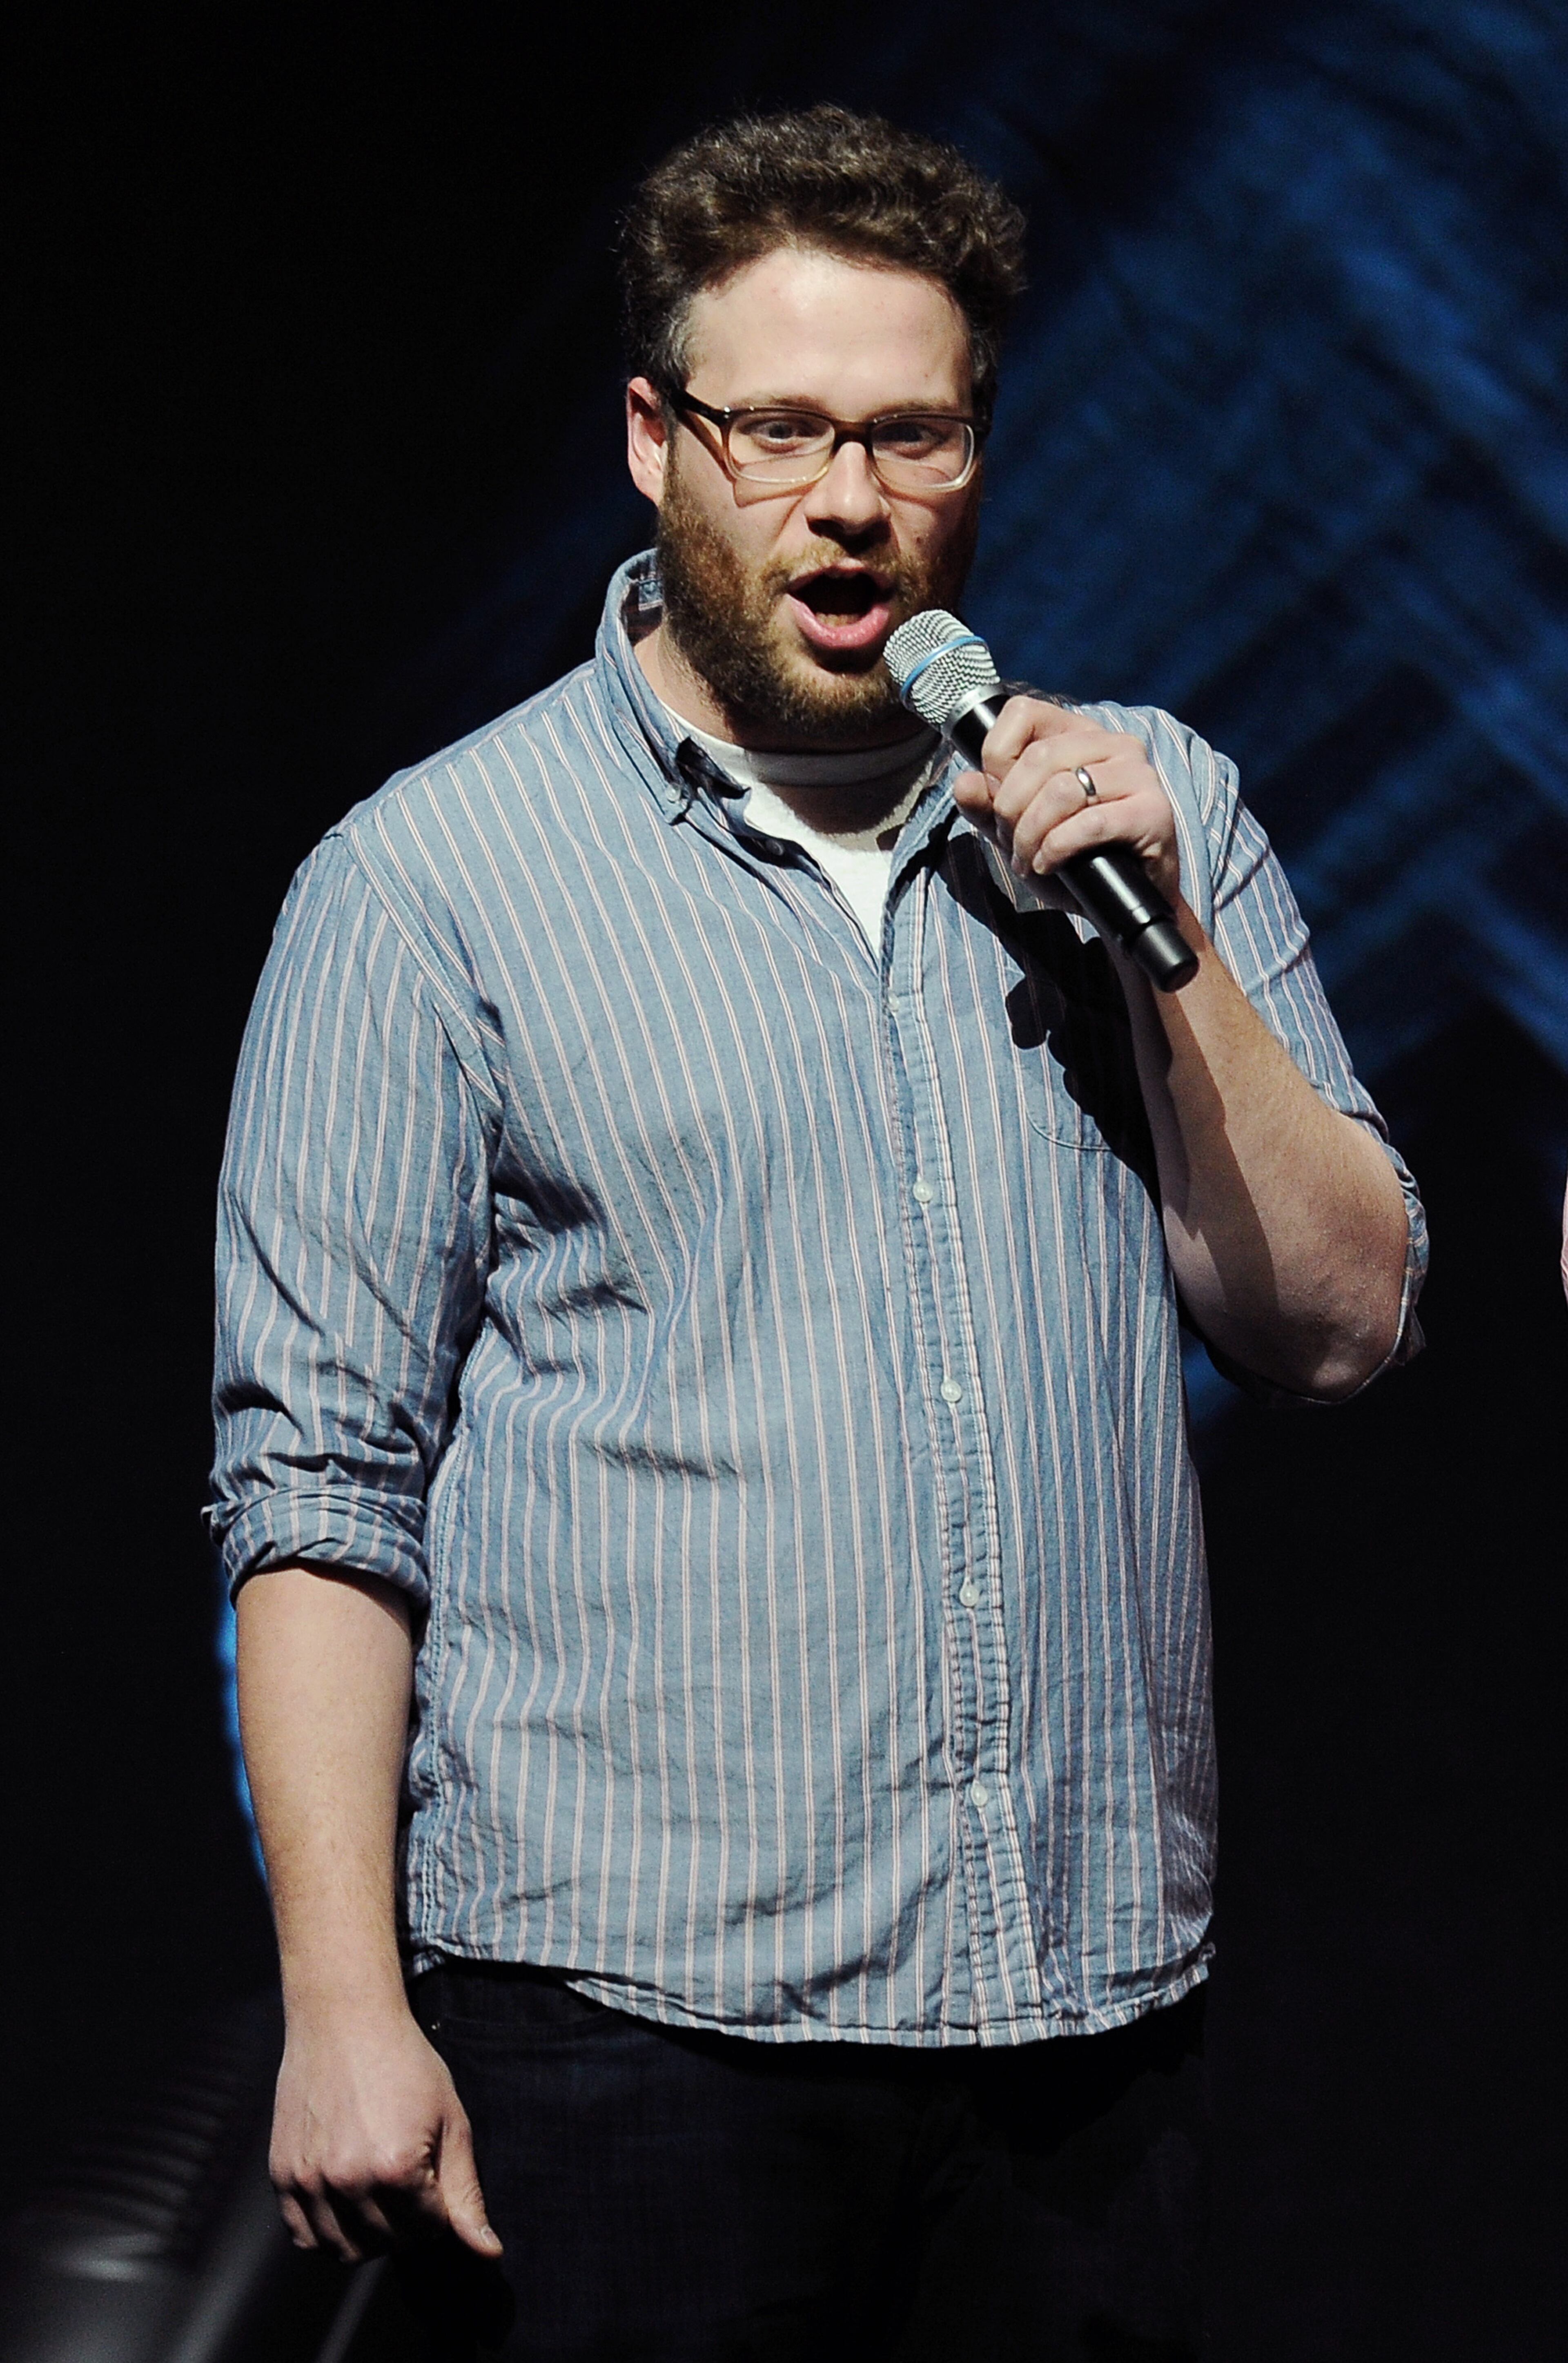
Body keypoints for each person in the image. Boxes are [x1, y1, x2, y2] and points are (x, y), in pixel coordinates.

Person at [210, 105, 1426, 2362]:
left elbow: (1340, 1326)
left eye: (913, 434)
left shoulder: (1153, 819)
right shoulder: (429, 888)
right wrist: (344, 2008)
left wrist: (1169, 956)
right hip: (627, 2045)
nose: (852, 503)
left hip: (1080, 2033)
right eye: (783, 430)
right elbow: (320, 1501)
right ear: (658, 440)